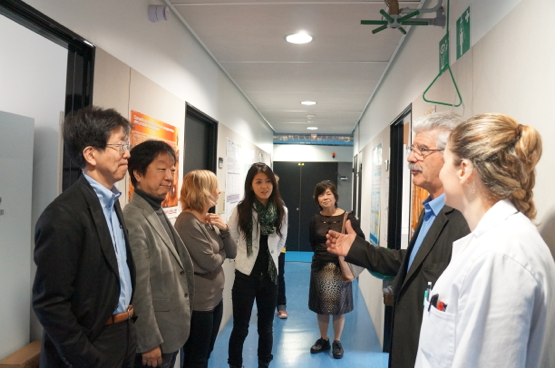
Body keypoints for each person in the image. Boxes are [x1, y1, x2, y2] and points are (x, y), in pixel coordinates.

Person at [326, 112, 470, 368]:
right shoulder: (431, 211)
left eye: (422, 150)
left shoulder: (463, 221)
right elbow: (410, 263)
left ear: (453, 158)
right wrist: (357, 249)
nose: (411, 157)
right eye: (412, 148)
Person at [414, 113, 555, 367]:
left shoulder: (502, 257)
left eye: (446, 162)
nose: (443, 173)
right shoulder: (491, 243)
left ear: (464, 170)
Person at [32, 106, 137, 367]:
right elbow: (49, 303)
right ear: (91, 154)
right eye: (120, 145)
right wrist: (87, 357)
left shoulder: (111, 202)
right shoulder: (63, 215)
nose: (128, 153)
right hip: (92, 345)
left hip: (122, 335)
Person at [123, 140, 195, 368]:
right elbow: (139, 287)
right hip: (156, 340)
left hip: (170, 331)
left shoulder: (156, 209)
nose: (169, 177)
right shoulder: (133, 218)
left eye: (172, 170)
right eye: (161, 169)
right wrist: (148, 342)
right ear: (138, 173)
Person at [227, 163, 288, 368]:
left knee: (266, 328)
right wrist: (244, 256)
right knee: (241, 327)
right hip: (245, 275)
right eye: (259, 181)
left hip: (270, 276)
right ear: (250, 185)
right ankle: (235, 364)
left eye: (268, 181)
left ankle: (264, 363)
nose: (264, 186)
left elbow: (281, 241)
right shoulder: (241, 209)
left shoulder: (282, 210)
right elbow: (232, 236)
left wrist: (270, 258)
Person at [175, 170, 237, 368]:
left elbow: (233, 252)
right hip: (199, 304)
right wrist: (221, 253)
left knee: (206, 352)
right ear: (202, 192)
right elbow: (210, 262)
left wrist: (225, 230)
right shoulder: (187, 222)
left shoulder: (208, 220)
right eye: (214, 187)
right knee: (196, 358)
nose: (219, 191)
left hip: (214, 299)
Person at [308, 180, 365, 360]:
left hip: (340, 268)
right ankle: (324, 339)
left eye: (328, 193)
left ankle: (337, 341)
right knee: (321, 307)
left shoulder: (348, 218)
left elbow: (359, 240)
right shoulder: (315, 219)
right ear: (316, 199)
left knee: (338, 308)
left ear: (335, 196)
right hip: (319, 266)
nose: (325, 198)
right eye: (321, 195)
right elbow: (313, 242)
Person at [274, 174, 288, 319]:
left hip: (279, 248)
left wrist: (278, 250)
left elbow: (283, 232)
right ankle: (266, 305)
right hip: (263, 250)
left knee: (279, 276)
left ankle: (281, 306)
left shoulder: (281, 205)